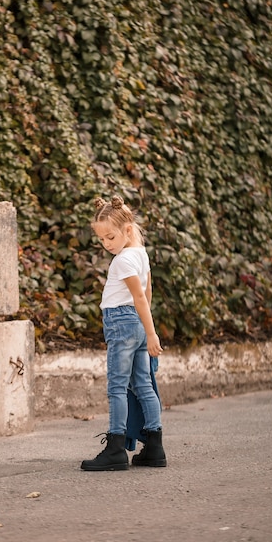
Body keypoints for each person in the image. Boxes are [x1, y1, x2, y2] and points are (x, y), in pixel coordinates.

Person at [81, 195, 167, 471]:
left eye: (111, 237)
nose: (107, 244)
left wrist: (151, 334)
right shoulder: (140, 255)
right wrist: (145, 328)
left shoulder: (122, 261)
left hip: (121, 322)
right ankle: (154, 447)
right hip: (137, 325)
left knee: (117, 387)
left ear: (128, 230)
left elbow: (140, 297)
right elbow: (148, 293)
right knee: (143, 385)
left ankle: (116, 449)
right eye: (102, 239)